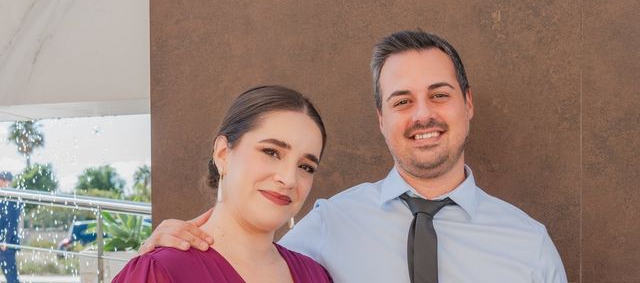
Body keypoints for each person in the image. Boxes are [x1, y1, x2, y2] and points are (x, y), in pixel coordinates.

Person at [142, 31, 568, 282]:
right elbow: (245, 258)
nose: (423, 115)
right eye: (402, 102)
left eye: (439, 95)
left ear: (468, 104)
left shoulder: (529, 245)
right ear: (381, 119)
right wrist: (162, 250)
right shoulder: (329, 224)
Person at [113, 85, 332, 282]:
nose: (289, 179)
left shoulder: (316, 276)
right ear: (223, 153)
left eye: (306, 167)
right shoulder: (162, 270)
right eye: (271, 152)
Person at [0, 171, 21, 283]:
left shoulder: (11, 197)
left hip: (5, 245)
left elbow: (12, 222)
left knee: (11, 278)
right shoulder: (3, 196)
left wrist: (5, 241)